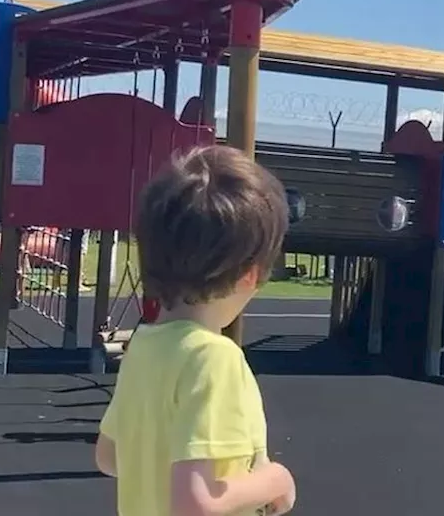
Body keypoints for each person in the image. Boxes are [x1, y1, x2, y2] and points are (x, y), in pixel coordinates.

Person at [95, 146, 298, 516]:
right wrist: (276, 480)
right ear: (251, 274)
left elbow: (109, 457)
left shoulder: (144, 347)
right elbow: (195, 504)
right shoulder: (214, 359)